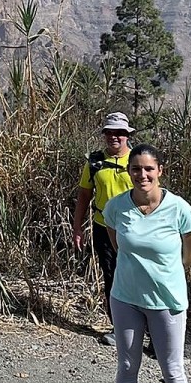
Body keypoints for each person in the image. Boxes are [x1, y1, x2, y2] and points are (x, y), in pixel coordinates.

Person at [103, 144, 191, 383]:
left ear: (160, 170)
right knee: (126, 367)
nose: (142, 175)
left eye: (149, 169)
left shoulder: (179, 208)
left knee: (172, 371)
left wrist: (162, 272)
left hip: (166, 300)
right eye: (136, 169)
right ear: (128, 171)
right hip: (125, 297)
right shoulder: (116, 207)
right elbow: (118, 246)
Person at [71, 112, 135, 346]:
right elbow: (84, 195)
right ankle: (119, 328)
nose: (113, 137)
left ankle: (145, 329)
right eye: (109, 132)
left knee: (137, 278)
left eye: (119, 132)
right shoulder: (95, 162)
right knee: (112, 277)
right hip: (103, 228)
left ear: (128, 135)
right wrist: (78, 227)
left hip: (135, 231)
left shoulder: (137, 161)